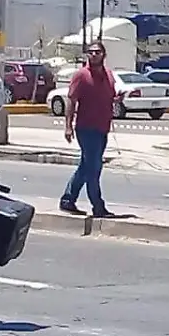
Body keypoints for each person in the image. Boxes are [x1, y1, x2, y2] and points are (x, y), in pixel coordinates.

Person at [60, 41, 118, 217]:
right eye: (91, 52)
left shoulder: (109, 75)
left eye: (97, 52)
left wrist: (117, 99)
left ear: (104, 55)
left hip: (102, 128)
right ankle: (98, 207)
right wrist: (68, 126)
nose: (93, 55)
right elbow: (71, 100)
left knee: (86, 167)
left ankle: (68, 200)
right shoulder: (81, 75)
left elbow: (109, 97)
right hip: (86, 128)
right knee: (94, 168)